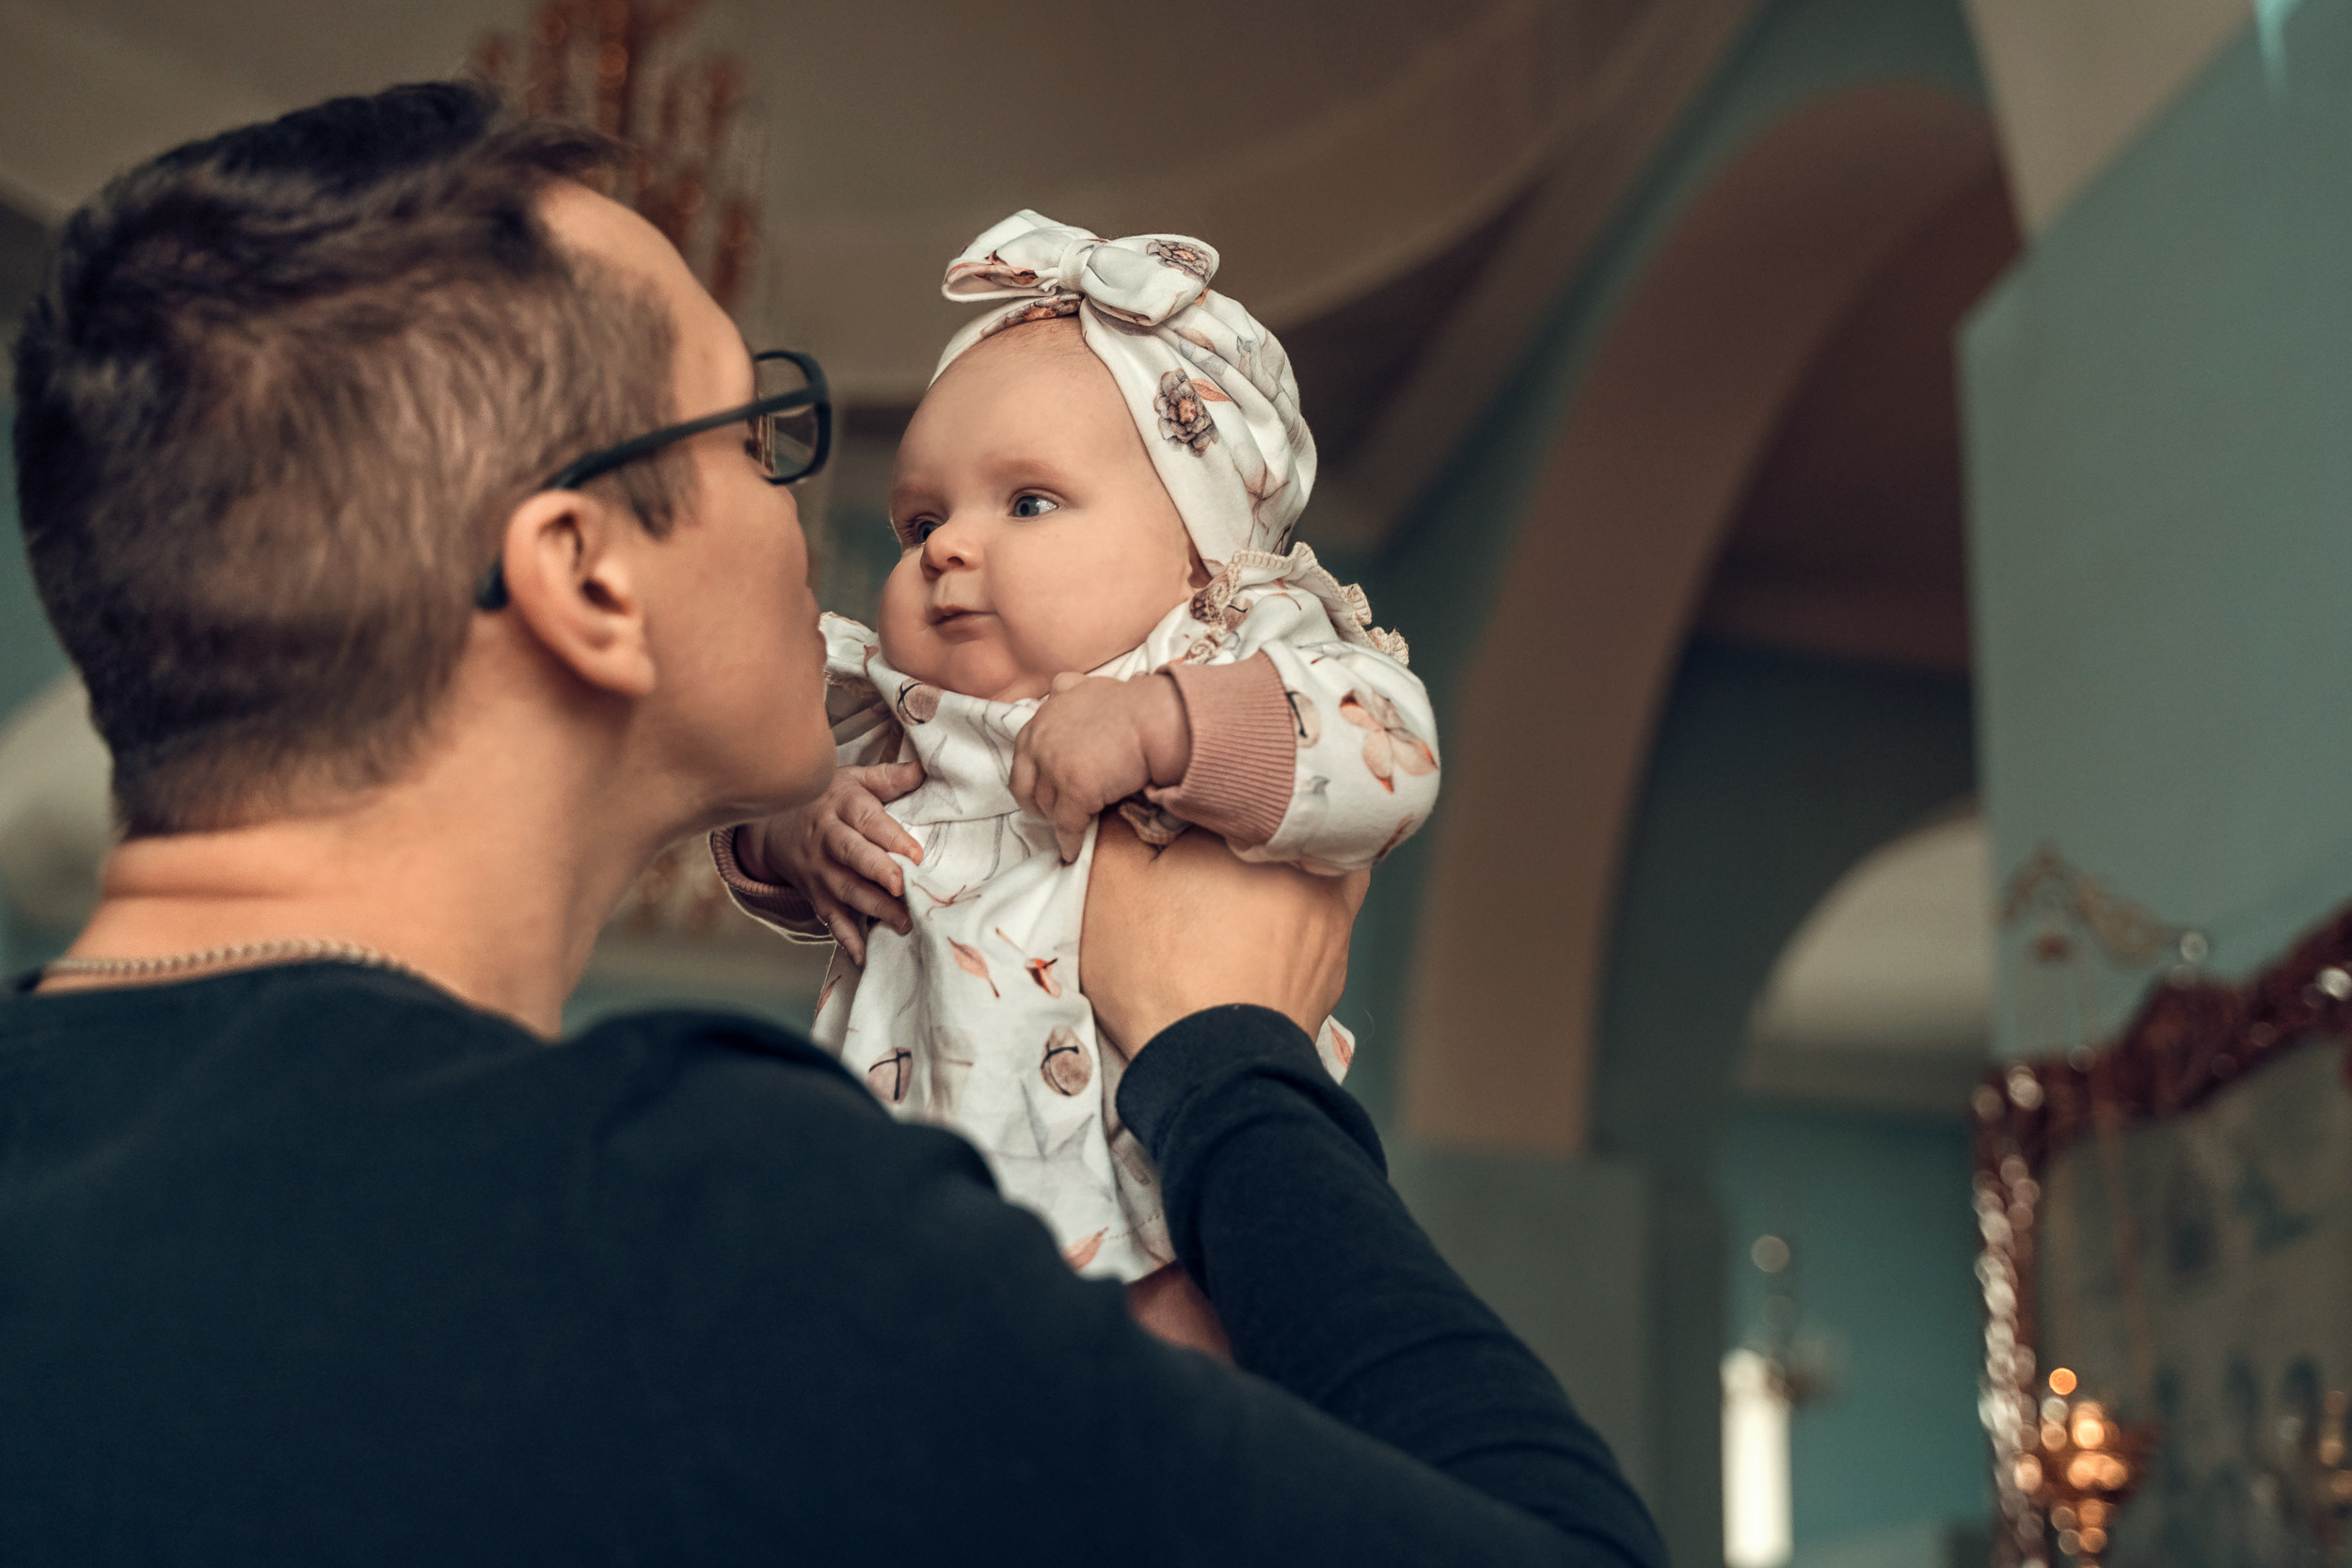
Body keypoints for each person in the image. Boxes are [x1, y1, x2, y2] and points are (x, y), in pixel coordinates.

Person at [0, 82, 1665, 1567]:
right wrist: (1229, 1057)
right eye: (754, 434)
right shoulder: (732, 1228)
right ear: (588, 577)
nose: (843, 526)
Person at [712, 211, 1439, 1317]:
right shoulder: (900, 716)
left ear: (1197, 554)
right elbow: (753, 779)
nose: (947, 546)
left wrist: (1167, 725)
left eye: (1030, 503)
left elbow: (1390, 750)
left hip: (1161, 1223)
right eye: (918, 521)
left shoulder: (1225, 655)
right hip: (894, 1238)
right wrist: (799, 830)